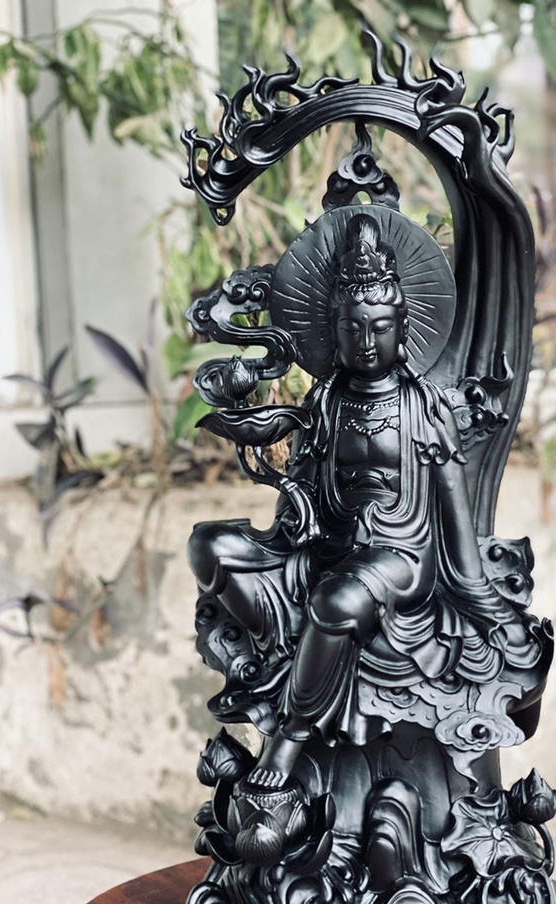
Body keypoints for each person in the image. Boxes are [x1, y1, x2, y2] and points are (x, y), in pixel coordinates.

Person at [189, 213, 532, 809]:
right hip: (326, 547)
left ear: (404, 327)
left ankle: (291, 736)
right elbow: (303, 488)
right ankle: (282, 659)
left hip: (400, 556)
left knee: (336, 601)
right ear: (334, 331)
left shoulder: (424, 408)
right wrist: (291, 504)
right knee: (210, 546)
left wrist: (478, 594)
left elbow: (453, 506)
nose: (367, 342)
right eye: (353, 328)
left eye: (380, 327)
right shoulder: (326, 401)